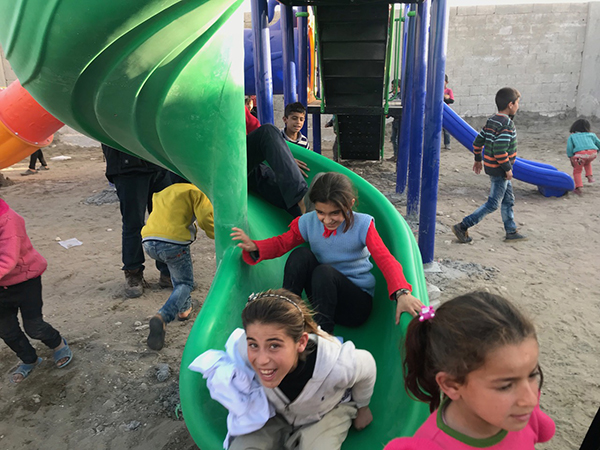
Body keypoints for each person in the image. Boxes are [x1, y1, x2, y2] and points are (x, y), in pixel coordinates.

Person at [231, 172, 423, 334]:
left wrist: (402, 293)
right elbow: (283, 242)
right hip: (322, 298)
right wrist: (256, 246)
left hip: (354, 304)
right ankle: (287, 314)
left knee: (324, 272)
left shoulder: (363, 225)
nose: (327, 220)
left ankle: (322, 338)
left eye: (335, 213)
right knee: (301, 256)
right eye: (321, 212)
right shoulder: (308, 222)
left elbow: (385, 258)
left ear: (350, 204)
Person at [193, 289, 376, 450]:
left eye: (274, 346)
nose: (262, 360)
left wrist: (363, 407)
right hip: (278, 413)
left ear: (301, 342)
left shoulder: (338, 365)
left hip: (326, 411)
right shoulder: (244, 350)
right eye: (254, 345)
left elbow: (368, 366)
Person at [384, 291, 555, 450]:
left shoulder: (519, 412)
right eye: (506, 386)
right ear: (451, 385)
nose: (531, 400)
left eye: (532, 375)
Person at [0, 198, 73, 383]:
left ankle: (57, 343)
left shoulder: (8, 220)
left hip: (25, 280)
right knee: (6, 330)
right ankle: (29, 359)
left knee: (34, 327)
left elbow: (8, 259)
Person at [141, 182, 214, 350]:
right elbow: (205, 218)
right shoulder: (196, 190)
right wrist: (216, 234)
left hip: (149, 241)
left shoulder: (162, 191)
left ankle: (184, 310)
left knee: (177, 275)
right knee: (185, 283)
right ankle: (163, 317)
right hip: (173, 243)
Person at [452, 87, 527, 244]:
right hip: (500, 170)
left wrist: (478, 159)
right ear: (511, 104)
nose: (518, 106)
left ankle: (511, 230)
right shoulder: (507, 124)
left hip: (493, 167)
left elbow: (478, 141)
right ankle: (463, 225)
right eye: (518, 103)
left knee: (508, 200)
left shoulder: (492, 120)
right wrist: (507, 169)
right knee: (493, 204)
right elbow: (500, 150)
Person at [102, 144, 174, 298]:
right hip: (127, 167)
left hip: (159, 162)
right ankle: (133, 272)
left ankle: (168, 271)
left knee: (166, 222)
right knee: (133, 224)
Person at [245, 106, 309, 217]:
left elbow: (261, 136)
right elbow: (265, 136)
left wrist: (284, 156)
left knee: (281, 188)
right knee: (268, 131)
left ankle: (312, 220)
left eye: (301, 119)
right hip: (223, 163)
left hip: (246, 165)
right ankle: (301, 197)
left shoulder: (237, 106)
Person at [566, 118, 599, 195]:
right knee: (587, 162)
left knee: (577, 171)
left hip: (580, 155)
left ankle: (579, 188)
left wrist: (570, 157)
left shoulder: (572, 136)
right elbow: (599, 144)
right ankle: (590, 176)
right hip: (592, 153)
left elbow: (569, 148)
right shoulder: (592, 135)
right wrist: (597, 151)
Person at [387, 79, 402, 162]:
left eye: (394, 87)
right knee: (393, 138)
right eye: (392, 87)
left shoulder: (401, 96)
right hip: (395, 120)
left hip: (400, 120)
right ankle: (395, 154)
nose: (393, 89)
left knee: (398, 139)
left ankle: (398, 155)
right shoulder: (392, 97)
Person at [443, 74, 455, 150]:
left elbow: (451, 100)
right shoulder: (436, 90)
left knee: (446, 129)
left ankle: (447, 144)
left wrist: (444, 98)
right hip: (436, 111)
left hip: (446, 112)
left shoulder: (448, 91)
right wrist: (445, 97)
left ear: (446, 82)